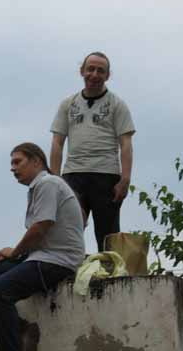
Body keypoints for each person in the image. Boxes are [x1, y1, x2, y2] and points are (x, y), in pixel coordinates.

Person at [0, 143, 85, 351]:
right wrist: (12, 254)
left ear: (36, 161)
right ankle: (20, 329)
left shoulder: (48, 183)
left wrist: (15, 253)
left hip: (58, 261)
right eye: (11, 163)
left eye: (17, 162)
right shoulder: (38, 187)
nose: (13, 168)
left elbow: (40, 228)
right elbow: (39, 235)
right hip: (40, 256)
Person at [50, 51, 136, 251]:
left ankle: (110, 268)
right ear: (82, 71)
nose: (94, 74)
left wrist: (125, 179)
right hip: (73, 175)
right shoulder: (68, 104)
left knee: (108, 237)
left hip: (106, 176)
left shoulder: (117, 104)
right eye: (90, 69)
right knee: (67, 232)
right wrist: (55, 179)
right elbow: (57, 142)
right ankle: (68, 267)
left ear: (107, 75)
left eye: (100, 70)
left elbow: (126, 143)